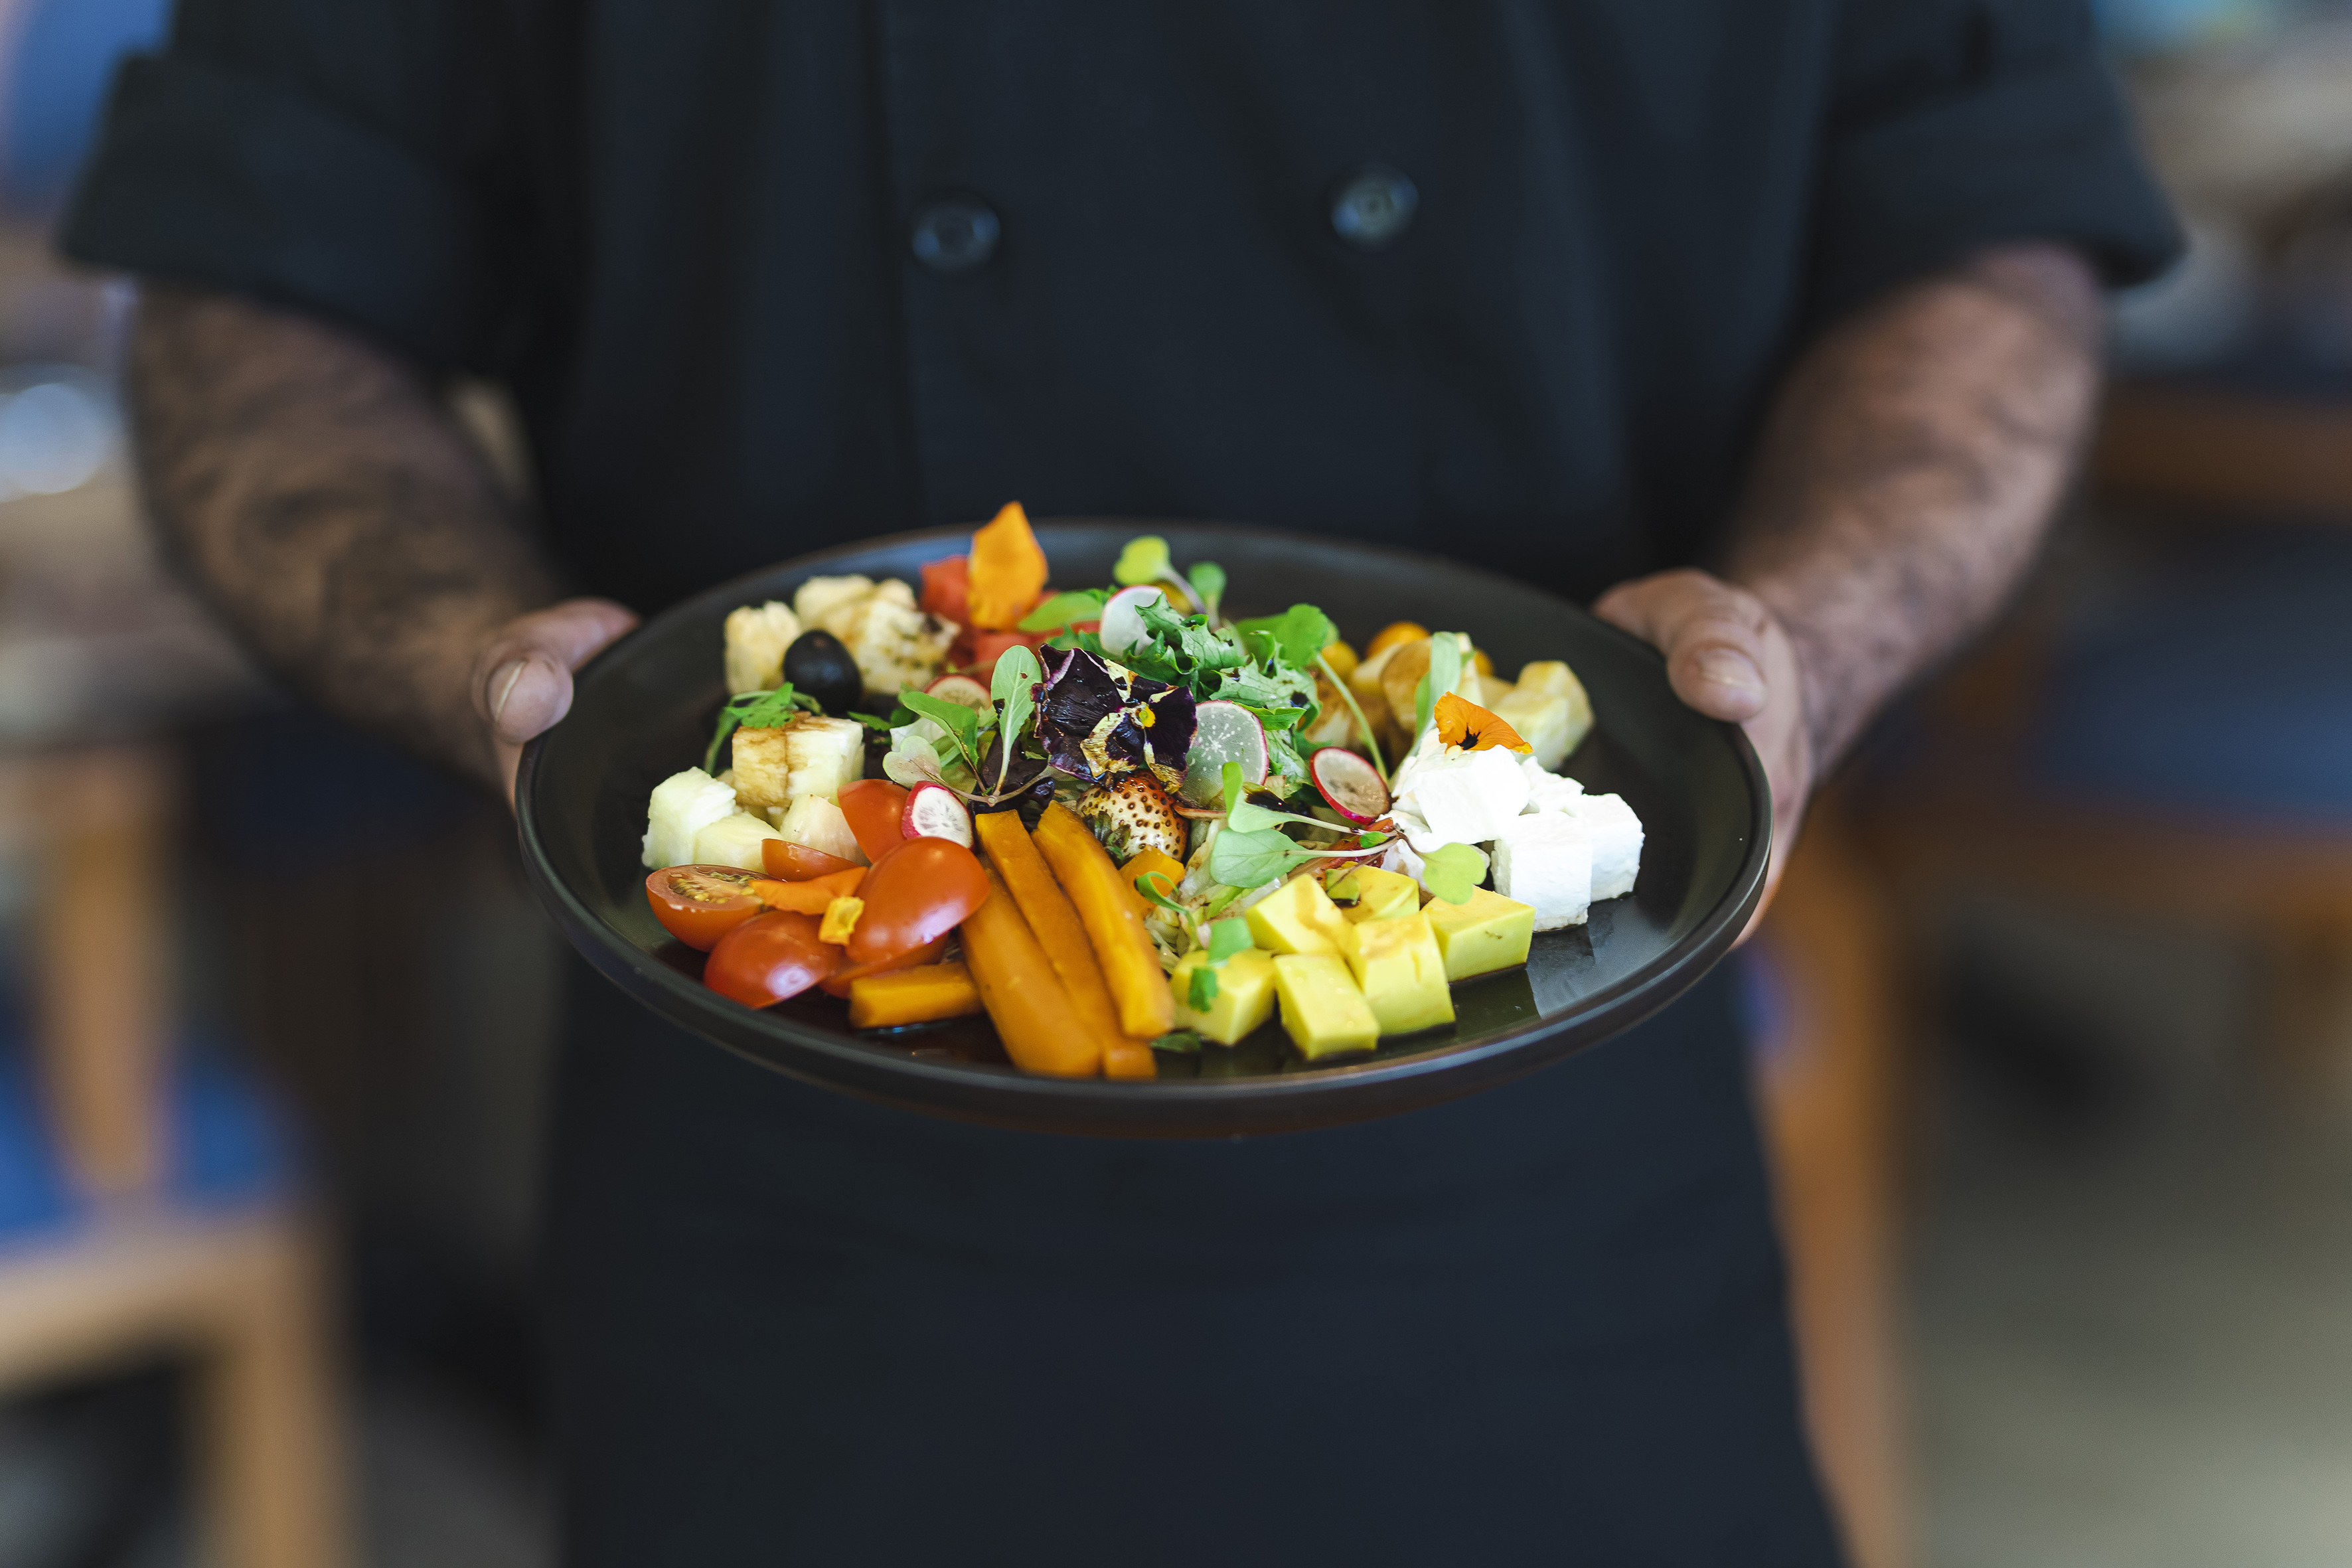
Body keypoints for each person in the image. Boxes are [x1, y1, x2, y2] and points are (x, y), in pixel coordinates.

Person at [63, 3, 2176, 1561]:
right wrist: (476, 649)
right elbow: (255, 288)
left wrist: (1811, 631)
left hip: (1554, 1158)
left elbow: (1979, 217)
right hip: (785, 1179)